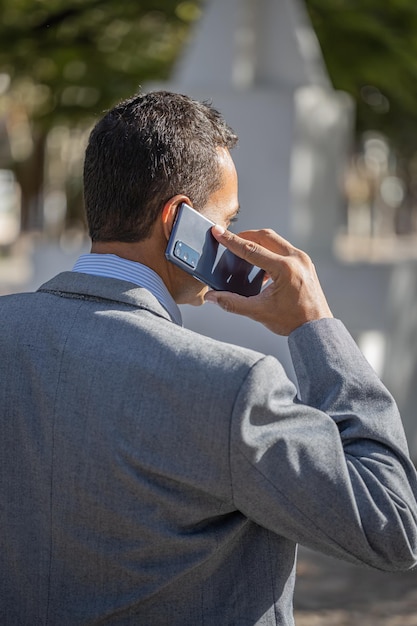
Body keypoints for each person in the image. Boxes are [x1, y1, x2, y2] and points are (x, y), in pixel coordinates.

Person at [1, 90, 416, 626]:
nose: (234, 241)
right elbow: (392, 524)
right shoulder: (234, 387)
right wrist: (315, 326)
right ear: (179, 220)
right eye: (227, 221)